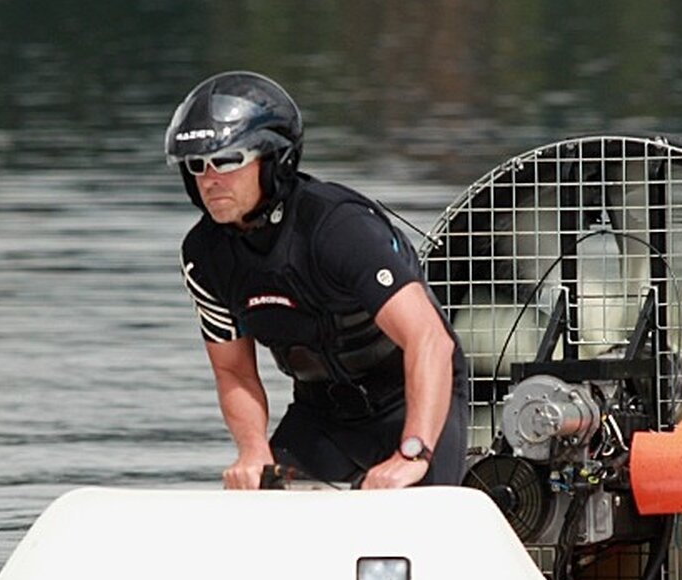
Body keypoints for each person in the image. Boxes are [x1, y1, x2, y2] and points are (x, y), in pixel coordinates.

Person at [167, 71, 469, 490]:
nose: (209, 179)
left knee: (408, 523)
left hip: (405, 403)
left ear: (273, 160)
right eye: (196, 166)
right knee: (258, 507)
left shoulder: (336, 228)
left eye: (227, 161)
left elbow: (430, 340)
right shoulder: (203, 257)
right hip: (320, 414)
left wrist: (411, 453)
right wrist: (253, 451)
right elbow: (233, 372)